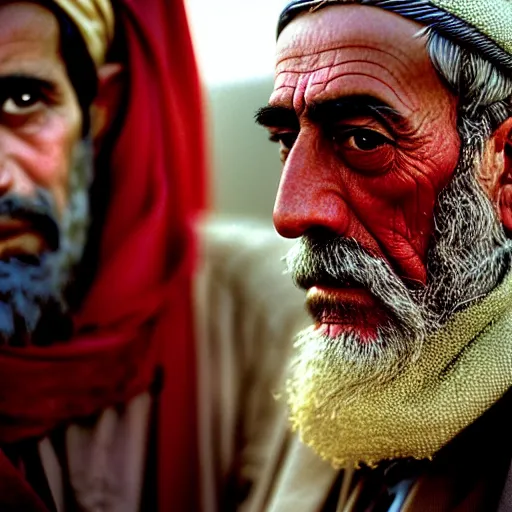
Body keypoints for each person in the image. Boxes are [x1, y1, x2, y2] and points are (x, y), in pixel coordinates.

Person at [254, 0, 512, 510]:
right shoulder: (339, 406)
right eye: (286, 140)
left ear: (505, 168)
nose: (290, 213)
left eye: (364, 140)